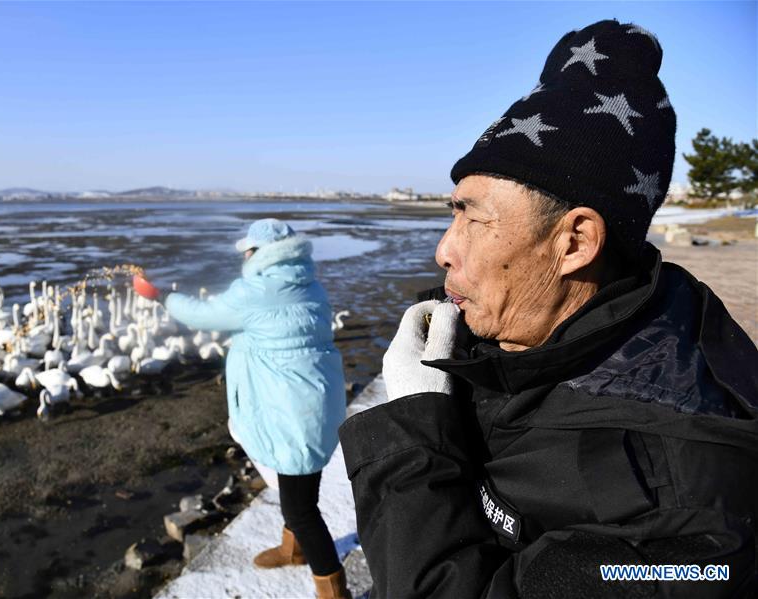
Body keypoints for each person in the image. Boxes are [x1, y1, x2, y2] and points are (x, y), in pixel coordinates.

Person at [339, 20, 758, 598]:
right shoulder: (530, 337)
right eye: (451, 212)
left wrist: (412, 440)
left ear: (575, 243)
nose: (443, 249)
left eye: (475, 218)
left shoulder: (686, 514)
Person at [164, 218, 352, 599]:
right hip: (313, 400)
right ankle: (294, 549)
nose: (245, 256)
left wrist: (162, 298)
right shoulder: (309, 285)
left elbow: (202, 315)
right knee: (298, 487)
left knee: (301, 508)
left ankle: (333, 589)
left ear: (261, 254)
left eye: (249, 250)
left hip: (291, 410)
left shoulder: (256, 291)